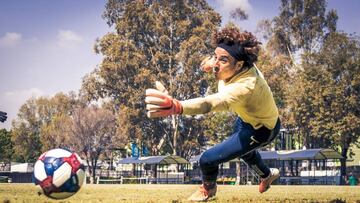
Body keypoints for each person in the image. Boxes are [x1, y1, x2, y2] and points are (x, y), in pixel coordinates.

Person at [145, 26, 281, 201]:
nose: (216, 63)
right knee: (245, 152)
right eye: (215, 57)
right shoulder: (237, 63)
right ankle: (267, 176)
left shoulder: (245, 87)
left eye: (223, 60)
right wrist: (213, 62)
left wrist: (177, 106)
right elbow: (217, 61)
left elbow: (209, 104)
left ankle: (207, 190)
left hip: (262, 129)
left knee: (207, 160)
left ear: (239, 65)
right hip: (246, 120)